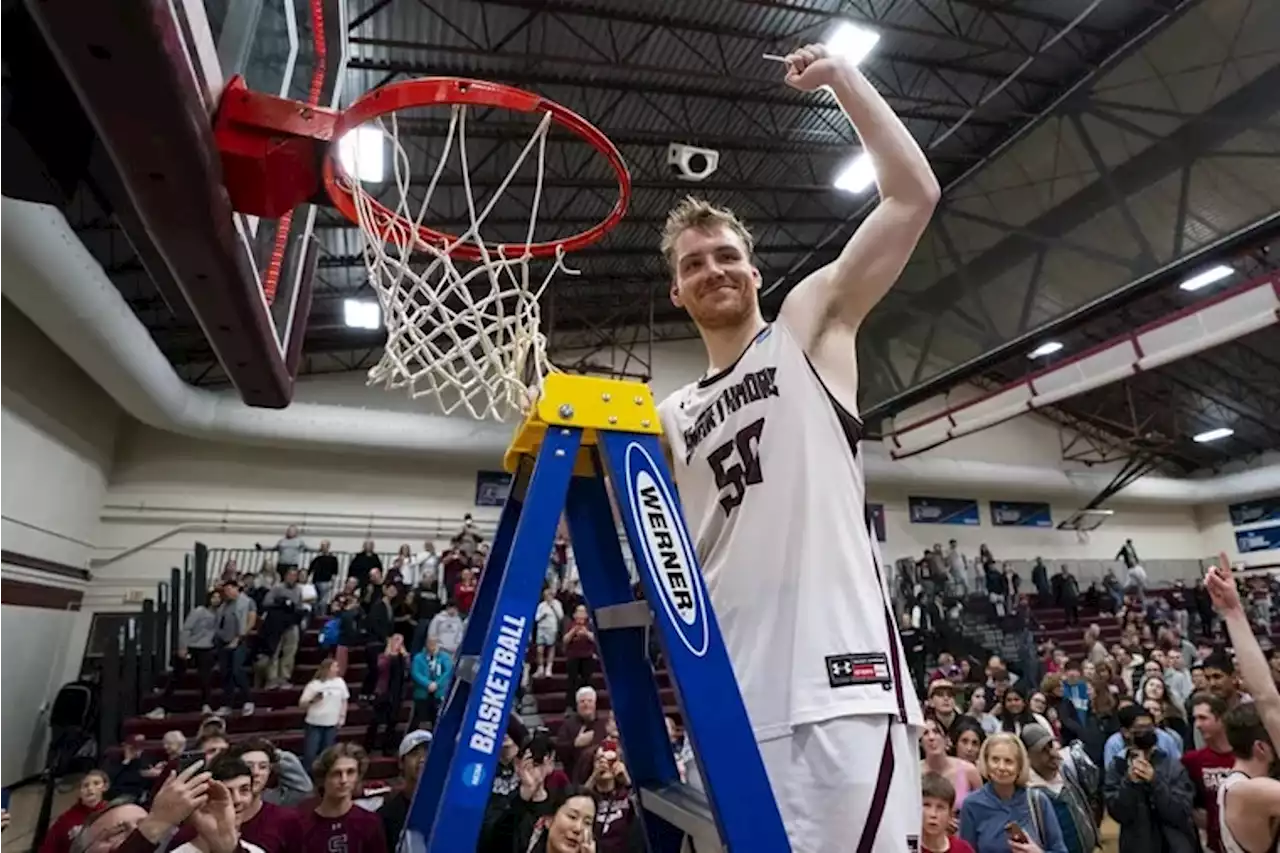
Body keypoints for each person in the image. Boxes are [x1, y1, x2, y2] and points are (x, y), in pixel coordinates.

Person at [654, 39, 939, 852]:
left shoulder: (808, 327)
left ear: (754, 270)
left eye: (727, 256)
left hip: (841, 687)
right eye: (694, 263)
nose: (714, 269)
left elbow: (913, 196)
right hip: (727, 700)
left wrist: (845, 81)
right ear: (676, 292)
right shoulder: (667, 414)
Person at [1202, 555, 1280, 853]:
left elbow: (1268, 699)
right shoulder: (1251, 791)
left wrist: (1234, 612)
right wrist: (1232, 613)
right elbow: (1267, 701)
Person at [1103, 704, 1200, 853]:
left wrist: (1155, 781)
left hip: (1174, 846)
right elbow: (1119, 813)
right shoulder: (1117, 767)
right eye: (1140, 728)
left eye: (1150, 727)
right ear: (1126, 732)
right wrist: (1130, 783)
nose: (1146, 732)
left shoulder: (1172, 765)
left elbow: (1180, 812)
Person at [958, 732, 1067, 853]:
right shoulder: (972, 805)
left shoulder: (1038, 801)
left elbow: (1060, 850)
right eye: (995, 760)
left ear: (1019, 766)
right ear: (986, 762)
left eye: (1008, 761)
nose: (1001, 767)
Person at [297, 744, 385, 853]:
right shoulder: (301, 823)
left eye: (350, 772)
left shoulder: (369, 822)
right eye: (336, 773)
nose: (344, 780)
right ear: (323, 778)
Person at [1182, 693, 1237, 853]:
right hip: (1212, 844)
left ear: (1221, 719)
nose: (1197, 725)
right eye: (1195, 719)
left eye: (1203, 718)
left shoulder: (1246, 757)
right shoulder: (1192, 760)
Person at [380, 730, 431, 849]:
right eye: (414, 754)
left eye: (428, 753)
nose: (422, 759)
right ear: (401, 763)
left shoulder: (448, 809)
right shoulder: (386, 816)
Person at [299, 657, 349, 770]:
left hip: (331, 724)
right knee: (310, 754)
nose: (337, 669)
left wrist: (342, 717)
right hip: (314, 723)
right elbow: (302, 704)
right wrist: (313, 700)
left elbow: (344, 701)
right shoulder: (314, 684)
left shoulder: (340, 683)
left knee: (327, 754)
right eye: (335, 666)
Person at [921, 772, 975, 853]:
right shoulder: (904, 848)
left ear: (950, 814)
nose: (933, 814)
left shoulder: (963, 850)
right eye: (926, 805)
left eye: (940, 807)